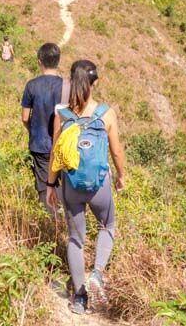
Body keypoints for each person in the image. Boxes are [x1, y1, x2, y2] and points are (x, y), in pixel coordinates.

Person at [46, 60, 126, 315]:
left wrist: (50, 185)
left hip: (71, 184)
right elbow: (116, 151)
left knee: (75, 238)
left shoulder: (62, 115)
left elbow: (55, 154)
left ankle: (79, 298)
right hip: (99, 185)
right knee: (108, 225)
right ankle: (97, 274)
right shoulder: (106, 114)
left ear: (71, 82)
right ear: (95, 83)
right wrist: (121, 176)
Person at [20, 43, 67, 217]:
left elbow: (25, 117)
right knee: (66, 187)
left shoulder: (31, 85)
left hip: (40, 146)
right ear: (58, 61)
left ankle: (51, 225)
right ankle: (66, 224)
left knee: (45, 188)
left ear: (40, 61)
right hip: (64, 145)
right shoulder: (67, 86)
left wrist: (32, 131)